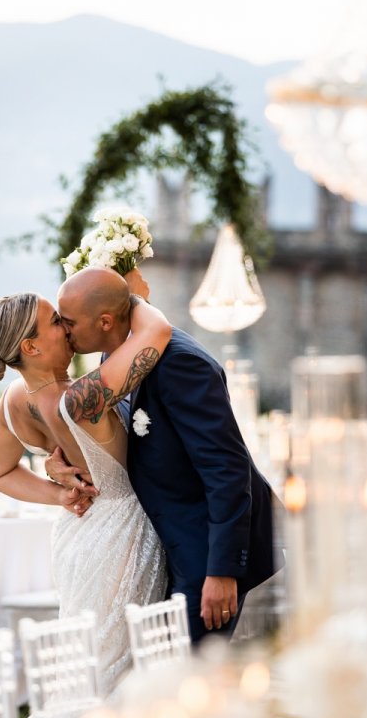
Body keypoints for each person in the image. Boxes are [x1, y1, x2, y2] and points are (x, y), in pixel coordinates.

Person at [53, 266, 281, 643]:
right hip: (165, 547)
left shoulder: (180, 363)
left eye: (69, 321)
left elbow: (226, 467)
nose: (64, 329)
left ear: (106, 321)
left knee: (195, 677)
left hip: (203, 552)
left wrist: (222, 570)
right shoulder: (118, 358)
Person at [0, 289, 171, 694]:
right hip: (121, 535)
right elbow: (157, 330)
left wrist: (58, 495)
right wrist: (120, 293)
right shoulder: (80, 398)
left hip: (77, 533)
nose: (66, 326)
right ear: (30, 346)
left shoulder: (15, 399)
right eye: (55, 321)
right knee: (119, 664)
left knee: (93, 657)